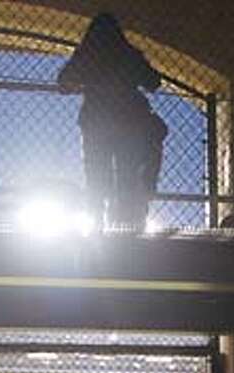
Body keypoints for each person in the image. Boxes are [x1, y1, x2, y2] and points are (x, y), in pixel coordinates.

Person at [57, 12, 167, 228]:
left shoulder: (87, 54)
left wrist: (88, 79)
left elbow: (64, 83)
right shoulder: (128, 54)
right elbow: (154, 82)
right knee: (127, 171)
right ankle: (129, 221)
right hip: (128, 119)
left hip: (96, 120)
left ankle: (97, 220)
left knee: (96, 171)